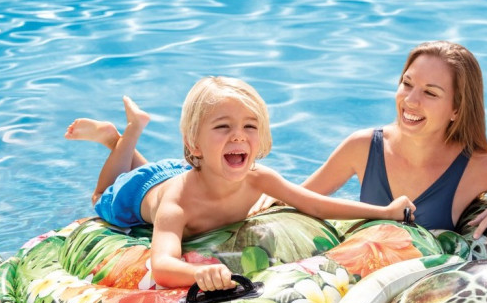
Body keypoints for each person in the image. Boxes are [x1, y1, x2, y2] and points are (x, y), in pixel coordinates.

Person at [65, 76, 416, 291]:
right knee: (101, 195)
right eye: (223, 127)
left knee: (157, 172)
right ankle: (120, 136)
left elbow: (313, 203)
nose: (238, 136)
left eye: (249, 126)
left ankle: (123, 137)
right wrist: (199, 273)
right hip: (141, 193)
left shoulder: (258, 178)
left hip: (184, 170)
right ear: (194, 145)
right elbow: (163, 265)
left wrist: (385, 211)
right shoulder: (176, 207)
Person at [298, 41, 487, 245]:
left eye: (430, 93)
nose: (410, 101)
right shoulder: (363, 147)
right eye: (407, 84)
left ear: (456, 110)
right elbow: (297, 201)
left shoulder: (477, 166)